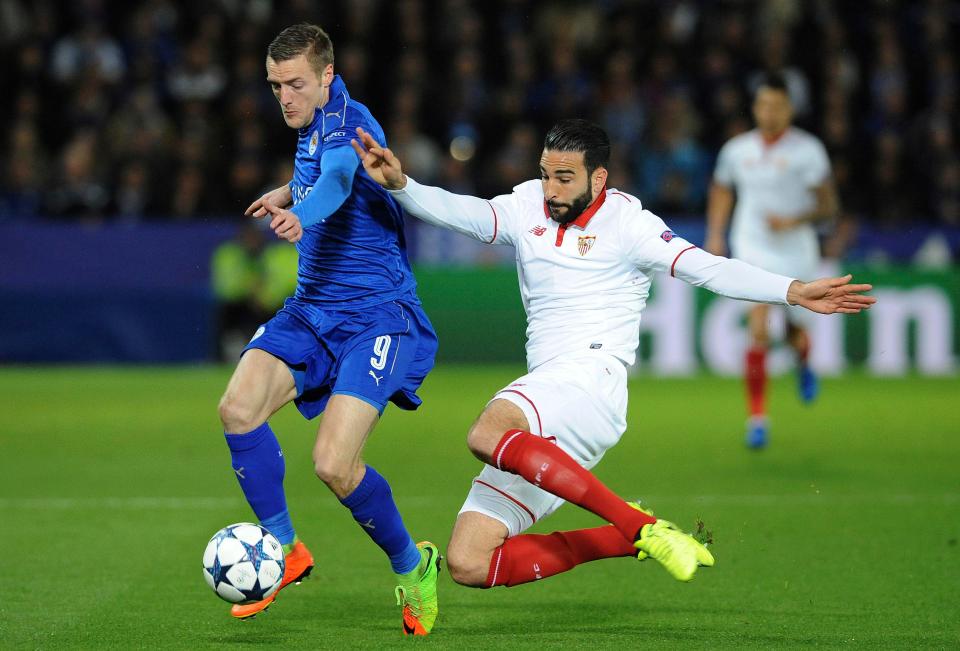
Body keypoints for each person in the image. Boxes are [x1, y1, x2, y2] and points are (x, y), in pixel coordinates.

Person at [352, 119, 874, 591]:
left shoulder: (630, 225)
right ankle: (624, 537)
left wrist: (791, 290)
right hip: (552, 397)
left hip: (590, 379)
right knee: (470, 561)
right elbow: (467, 214)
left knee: (486, 432)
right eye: (545, 175)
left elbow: (708, 267)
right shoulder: (528, 203)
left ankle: (636, 525)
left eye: (564, 178)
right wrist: (403, 184)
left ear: (598, 180)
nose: (550, 190)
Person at [217, 24, 441, 635]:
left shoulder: (352, 122)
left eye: (294, 84)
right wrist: (287, 188)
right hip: (312, 309)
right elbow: (318, 169)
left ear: (326, 78)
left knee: (335, 466)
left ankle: (411, 565)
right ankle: (287, 550)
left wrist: (299, 211)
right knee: (238, 408)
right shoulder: (312, 121)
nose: (283, 97)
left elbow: (340, 180)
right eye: (274, 86)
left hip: (376, 318)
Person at [705, 73, 839, 448]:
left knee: (793, 331)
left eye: (777, 106)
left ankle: (803, 361)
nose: (769, 112)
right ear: (755, 108)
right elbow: (721, 189)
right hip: (752, 244)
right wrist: (715, 233)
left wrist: (794, 220)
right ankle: (757, 418)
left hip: (797, 248)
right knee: (759, 327)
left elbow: (829, 205)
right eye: (763, 105)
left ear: (789, 109)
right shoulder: (737, 150)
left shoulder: (808, 150)